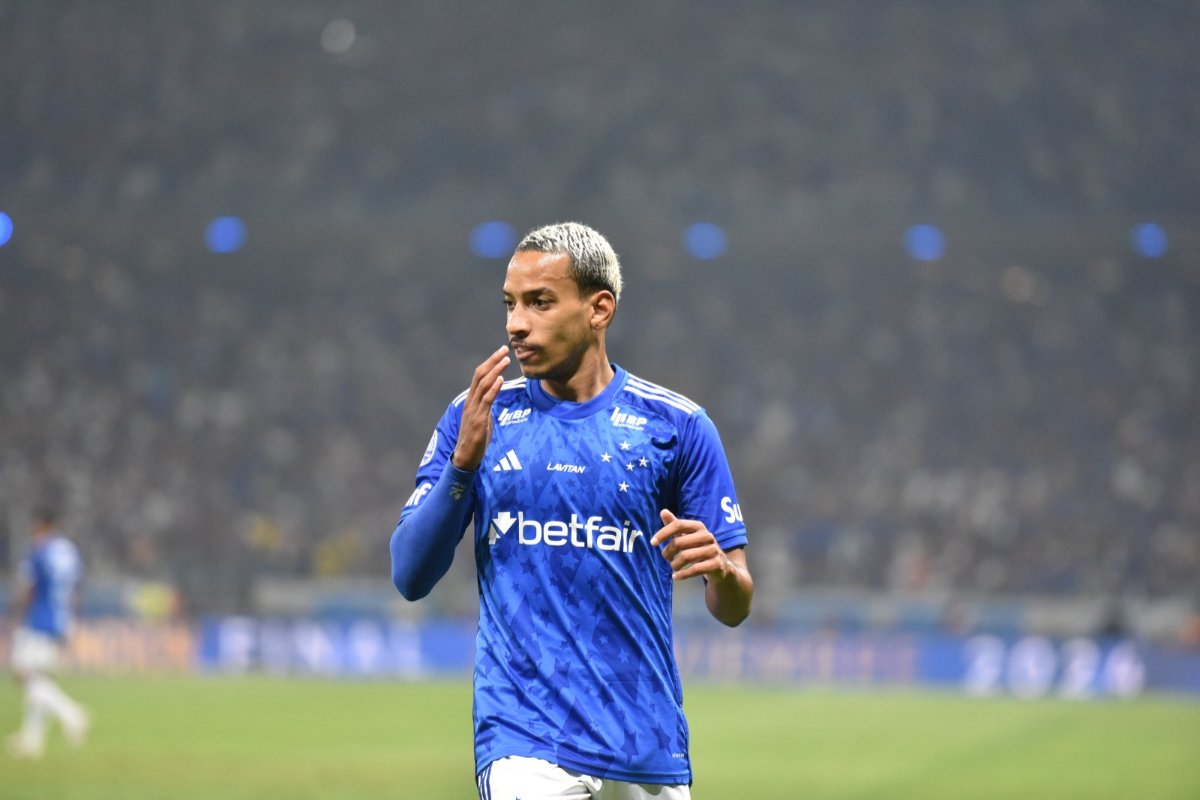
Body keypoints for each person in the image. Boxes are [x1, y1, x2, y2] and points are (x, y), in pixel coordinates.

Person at [390, 222, 753, 799]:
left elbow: (733, 607)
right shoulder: (478, 416)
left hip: (645, 742)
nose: (515, 324)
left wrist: (723, 572)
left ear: (599, 308)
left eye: (540, 302)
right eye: (510, 304)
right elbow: (409, 575)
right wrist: (461, 468)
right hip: (524, 737)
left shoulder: (678, 426)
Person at [5, 508, 90, 759]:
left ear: (40, 526)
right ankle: (33, 739)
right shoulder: (69, 552)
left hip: (39, 619)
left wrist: (15, 615)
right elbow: (76, 588)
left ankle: (72, 714)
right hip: (63, 619)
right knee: (40, 678)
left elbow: (27, 589)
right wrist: (71, 621)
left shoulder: (38, 552)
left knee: (22, 674)